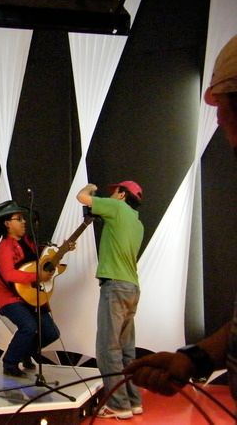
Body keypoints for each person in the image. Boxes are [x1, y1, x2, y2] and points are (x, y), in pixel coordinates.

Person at [125, 35, 237, 401]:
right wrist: (194, 359)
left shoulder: (114, 209)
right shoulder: (133, 220)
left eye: (223, 107)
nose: (218, 120)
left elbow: (85, 197)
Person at [77, 180, 144, 419]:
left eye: (115, 191)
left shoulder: (117, 208)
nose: (112, 195)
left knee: (108, 348)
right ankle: (134, 401)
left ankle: (118, 405)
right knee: (126, 350)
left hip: (114, 286)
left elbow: (82, 198)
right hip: (132, 287)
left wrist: (89, 187)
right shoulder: (137, 223)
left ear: (122, 195)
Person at [0, 200, 60, 377]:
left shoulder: (28, 242)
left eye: (23, 218)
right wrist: (37, 276)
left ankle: (25, 352)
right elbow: (9, 275)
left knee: (51, 333)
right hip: (11, 299)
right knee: (29, 326)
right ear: (7, 223)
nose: (24, 222)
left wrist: (61, 251)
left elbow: (38, 262)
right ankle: (10, 363)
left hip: (30, 296)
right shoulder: (4, 248)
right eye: (19, 219)